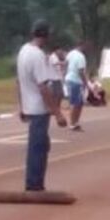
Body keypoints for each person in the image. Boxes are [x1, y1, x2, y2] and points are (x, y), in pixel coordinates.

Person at [17, 20, 67, 192]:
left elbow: (19, 81)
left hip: (29, 106)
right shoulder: (37, 55)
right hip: (39, 108)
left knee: (41, 144)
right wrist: (57, 113)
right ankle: (34, 184)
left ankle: (34, 182)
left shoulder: (23, 50)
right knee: (38, 147)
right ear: (45, 36)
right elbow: (43, 87)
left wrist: (21, 105)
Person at [65, 40, 89, 132]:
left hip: (70, 79)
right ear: (82, 46)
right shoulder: (81, 56)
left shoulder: (70, 53)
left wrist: (65, 75)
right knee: (75, 103)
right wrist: (85, 82)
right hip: (76, 81)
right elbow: (81, 71)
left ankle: (75, 122)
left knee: (79, 103)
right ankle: (72, 123)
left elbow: (66, 64)